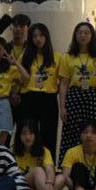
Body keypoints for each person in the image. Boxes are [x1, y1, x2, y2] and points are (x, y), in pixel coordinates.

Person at [58, 22, 96, 164]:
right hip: (74, 98)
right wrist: (62, 107)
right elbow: (63, 84)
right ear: (75, 35)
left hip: (95, 98)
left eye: (86, 33)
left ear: (92, 36)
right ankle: (71, 166)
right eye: (80, 32)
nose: (83, 35)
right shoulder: (67, 57)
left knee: (95, 132)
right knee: (73, 131)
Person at [19, 23, 62, 158]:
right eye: (34, 36)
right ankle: (27, 163)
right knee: (28, 133)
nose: (38, 39)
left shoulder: (57, 57)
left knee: (49, 134)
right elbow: (20, 79)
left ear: (46, 37)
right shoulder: (25, 56)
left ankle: (48, 164)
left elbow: (62, 81)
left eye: (41, 35)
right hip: (29, 97)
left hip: (49, 98)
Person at [13, 120, 69, 190]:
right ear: (19, 136)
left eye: (31, 133)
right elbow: (14, 178)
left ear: (36, 135)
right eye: (24, 134)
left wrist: (49, 183)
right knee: (38, 170)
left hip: (40, 187)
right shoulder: (13, 152)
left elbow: (50, 169)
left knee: (62, 178)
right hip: (23, 187)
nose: (27, 137)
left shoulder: (44, 151)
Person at [7, 14, 32, 126]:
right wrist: (11, 93)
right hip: (7, 94)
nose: (18, 29)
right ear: (11, 28)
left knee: (25, 129)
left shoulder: (31, 49)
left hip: (26, 95)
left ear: (27, 29)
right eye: (15, 26)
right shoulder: (5, 48)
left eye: (21, 26)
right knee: (6, 130)